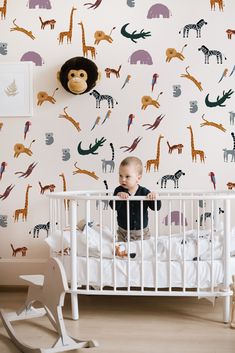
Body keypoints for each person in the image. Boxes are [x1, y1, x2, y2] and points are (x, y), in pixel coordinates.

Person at [109, 156, 161, 242]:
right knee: (123, 252)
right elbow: (113, 206)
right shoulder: (118, 191)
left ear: (138, 178)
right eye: (120, 175)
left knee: (143, 252)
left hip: (142, 233)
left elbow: (156, 208)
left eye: (127, 176)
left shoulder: (144, 192)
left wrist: (154, 197)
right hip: (123, 232)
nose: (123, 179)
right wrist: (118, 197)